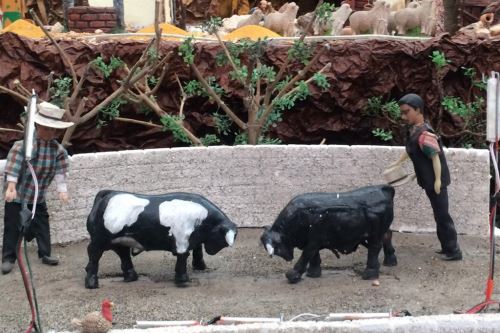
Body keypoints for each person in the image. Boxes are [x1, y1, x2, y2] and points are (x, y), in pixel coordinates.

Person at [1, 102, 73, 275]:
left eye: (53, 130)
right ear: (37, 125)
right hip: (18, 195)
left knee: (42, 224)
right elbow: (14, 166)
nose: (50, 133)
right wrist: (11, 186)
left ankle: (45, 253)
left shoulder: (57, 150)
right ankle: (8, 257)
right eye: (46, 128)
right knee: (12, 226)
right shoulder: (24, 146)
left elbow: (60, 170)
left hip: (38, 197)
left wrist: (62, 189)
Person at [389, 93, 462, 261]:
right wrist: (397, 164)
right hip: (428, 181)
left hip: (436, 183)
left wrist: (437, 180)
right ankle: (446, 247)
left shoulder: (425, 134)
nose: (403, 116)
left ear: (418, 110)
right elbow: (410, 151)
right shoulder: (414, 131)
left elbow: (435, 158)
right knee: (439, 215)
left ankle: (453, 251)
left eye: (407, 112)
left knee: (443, 216)